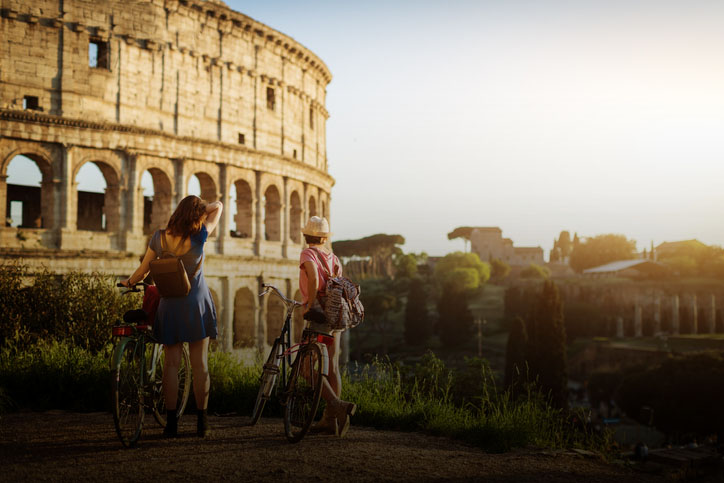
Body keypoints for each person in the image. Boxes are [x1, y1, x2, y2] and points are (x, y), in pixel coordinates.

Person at [122, 195, 222, 437]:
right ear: (197, 215)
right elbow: (217, 206)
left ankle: (171, 424)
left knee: (170, 365)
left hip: (170, 306)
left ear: (176, 213)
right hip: (196, 303)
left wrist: (129, 281)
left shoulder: (159, 237)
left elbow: (144, 269)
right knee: (200, 365)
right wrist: (200, 210)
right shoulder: (200, 235)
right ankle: (202, 423)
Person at [299, 216, 357, 437]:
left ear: (306, 236)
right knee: (332, 365)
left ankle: (337, 404)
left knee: (306, 369)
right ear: (324, 237)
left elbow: (313, 278)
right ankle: (330, 421)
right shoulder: (334, 258)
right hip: (337, 317)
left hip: (320, 318)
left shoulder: (307, 254)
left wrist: (311, 304)